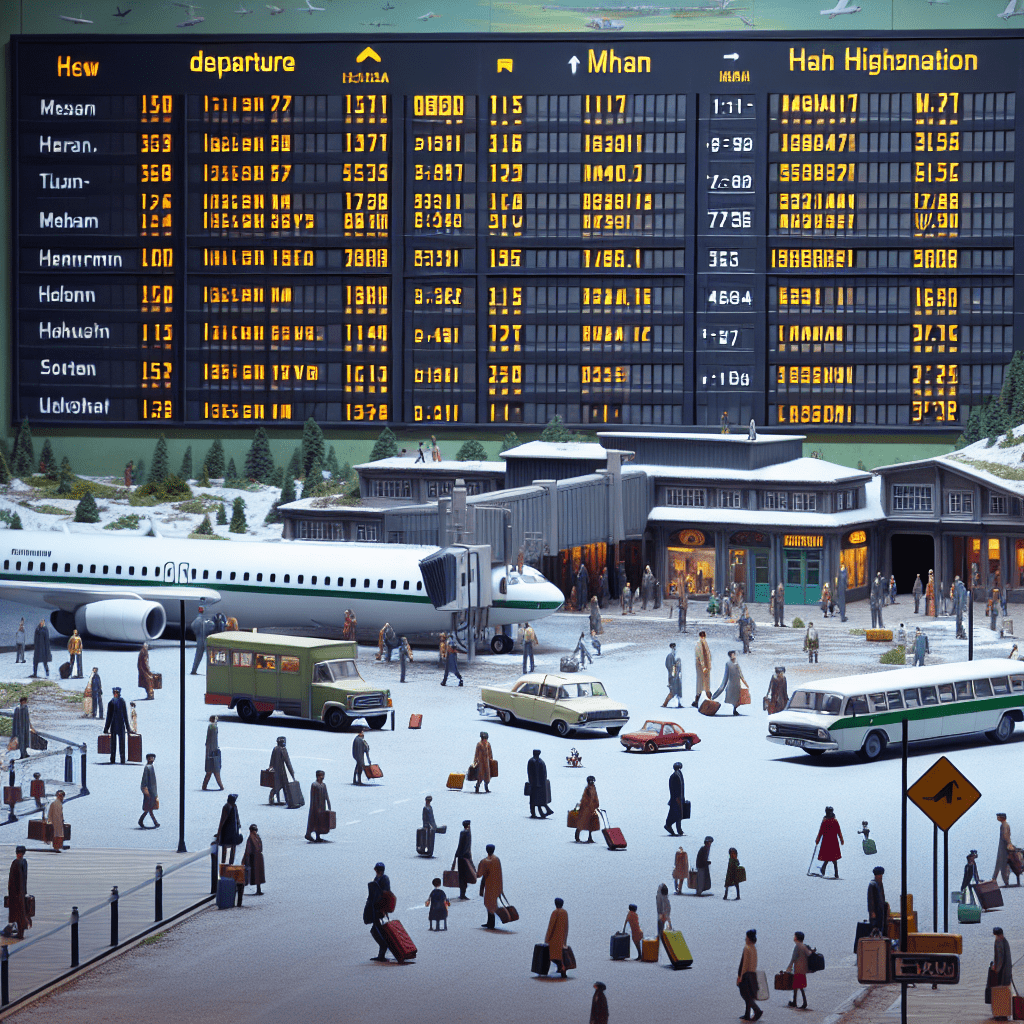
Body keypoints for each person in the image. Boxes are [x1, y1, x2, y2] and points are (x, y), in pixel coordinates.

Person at [365, 862, 393, 962]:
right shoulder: (378, 878)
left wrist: (384, 909)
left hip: (379, 908)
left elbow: (386, 894)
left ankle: (383, 951)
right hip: (375, 907)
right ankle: (381, 953)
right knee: (377, 929)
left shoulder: (384, 879)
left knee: (376, 929)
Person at [2, 847, 30, 939]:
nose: (19, 854)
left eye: (20, 852)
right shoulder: (23, 862)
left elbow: (12, 880)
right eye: (19, 852)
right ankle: (18, 931)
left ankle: (18, 932)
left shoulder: (16, 863)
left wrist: (12, 894)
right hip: (20, 891)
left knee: (17, 912)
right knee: (20, 912)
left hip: (16, 892)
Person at [712, 650, 749, 716]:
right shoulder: (728, 664)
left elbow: (740, 674)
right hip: (731, 683)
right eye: (733, 655)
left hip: (737, 683)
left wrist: (744, 682)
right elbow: (726, 676)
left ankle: (734, 710)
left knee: (738, 698)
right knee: (733, 697)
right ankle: (713, 697)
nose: (734, 656)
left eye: (734, 655)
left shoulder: (737, 663)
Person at [477, 843, 503, 929]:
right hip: (496, 884)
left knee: (488, 903)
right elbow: (500, 873)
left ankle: (491, 923)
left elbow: (479, 874)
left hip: (488, 884)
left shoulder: (484, 861)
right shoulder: (497, 860)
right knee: (492, 902)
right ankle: (490, 922)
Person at [737, 928, 762, 1021]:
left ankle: (757, 1010)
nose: (745, 938)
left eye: (746, 937)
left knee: (746, 995)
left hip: (746, 975)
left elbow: (744, 964)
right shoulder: (753, 947)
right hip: (752, 974)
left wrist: (740, 976)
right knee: (749, 995)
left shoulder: (746, 947)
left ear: (748, 938)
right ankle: (747, 1014)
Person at [103, 686, 130, 764]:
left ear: (119, 693)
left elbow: (125, 716)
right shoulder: (111, 703)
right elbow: (109, 717)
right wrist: (106, 728)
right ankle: (113, 759)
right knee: (113, 744)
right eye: (114, 693)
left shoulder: (121, 702)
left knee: (122, 743)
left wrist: (128, 728)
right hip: (114, 725)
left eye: (116, 693)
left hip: (120, 725)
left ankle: (122, 759)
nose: (115, 694)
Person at [815, 806, 844, 879]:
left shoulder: (834, 821)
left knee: (833, 857)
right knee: (829, 856)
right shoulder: (825, 821)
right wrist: (818, 839)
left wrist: (841, 839)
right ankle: (832, 872)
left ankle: (833, 872)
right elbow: (821, 831)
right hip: (827, 841)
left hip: (832, 840)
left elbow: (838, 831)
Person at [545, 897, 570, 978]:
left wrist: (547, 938)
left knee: (552, 956)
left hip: (554, 938)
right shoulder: (565, 912)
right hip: (562, 937)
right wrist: (565, 938)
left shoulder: (555, 912)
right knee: (559, 955)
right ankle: (560, 968)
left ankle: (562, 968)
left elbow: (551, 926)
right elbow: (566, 926)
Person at [786, 931, 812, 1010]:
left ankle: (801, 1002)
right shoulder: (804, 946)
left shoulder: (797, 947)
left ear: (796, 938)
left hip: (798, 969)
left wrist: (789, 967)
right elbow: (809, 954)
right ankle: (796, 1001)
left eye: (794, 936)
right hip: (803, 969)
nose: (793, 937)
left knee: (797, 986)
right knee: (798, 986)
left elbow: (793, 958)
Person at [991, 926, 1013, 1012]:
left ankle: (1001, 1012)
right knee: (1005, 989)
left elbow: (1000, 958)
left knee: (1001, 989)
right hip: (1007, 969)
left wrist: (996, 969)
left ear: (995, 934)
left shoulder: (999, 941)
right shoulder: (1004, 940)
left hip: (1003, 970)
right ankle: (1003, 1012)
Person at [305, 770, 331, 842]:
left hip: (322, 806)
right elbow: (312, 797)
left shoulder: (323, 785)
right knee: (313, 821)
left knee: (320, 821)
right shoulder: (314, 785)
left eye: (323, 775)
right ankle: (308, 834)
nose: (322, 777)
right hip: (315, 807)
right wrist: (315, 807)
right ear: (317, 776)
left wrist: (328, 804)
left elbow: (326, 795)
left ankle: (318, 836)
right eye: (320, 776)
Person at [268, 736, 295, 806]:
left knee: (277, 786)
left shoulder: (275, 749)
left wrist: (270, 768)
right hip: (282, 772)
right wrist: (292, 772)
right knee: (284, 785)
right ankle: (287, 800)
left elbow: (271, 761)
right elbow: (287, 762)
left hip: (276, 771)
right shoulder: (283, 750)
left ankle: (272, 799)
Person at [217, 793, 242, 863]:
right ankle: (228, 862)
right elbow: (237, 819)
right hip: (231, 830)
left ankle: (225, 862)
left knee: (226, 847)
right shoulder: (231, 807)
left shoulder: (228, 807)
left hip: (228, 830)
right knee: (231, 847)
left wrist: (218, 833)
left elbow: (222, 821)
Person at [527, 749, 552, 818]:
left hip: (538, 784)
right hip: (537, 784)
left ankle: (538, 813)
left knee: (537, 800)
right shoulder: (537, 761)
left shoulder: (537, 761)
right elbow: (530, 773)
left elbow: (531, 773)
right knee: (536, 800)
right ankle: (536, 813)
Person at [201, 715, 224, 791]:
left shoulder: (212, 727)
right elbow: (212, 740)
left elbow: (209, 740)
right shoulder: (213, 727)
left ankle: (205, 786)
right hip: (212, 753)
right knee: (215, 772)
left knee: (209, 772)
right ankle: (221, 786)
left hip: (210, 752)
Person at [452, 820, 473, 900]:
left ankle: (462, 893)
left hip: (460, 857)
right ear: (468, 825)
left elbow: (460, 845)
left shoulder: (463, 833)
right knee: (465, 876)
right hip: (465, 857)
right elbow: (466, 846)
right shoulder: (468, 833)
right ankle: (463, 894)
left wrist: (456, 855)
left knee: (461, 876)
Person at [576, 775, 599, 844]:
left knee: (590, 823)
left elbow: (595, 797)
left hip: (591, 808)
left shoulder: (593, 788)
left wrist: (596, 804)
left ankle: (590, 837)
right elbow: (584, 799)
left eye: (592, 781)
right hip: (586, 809)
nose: (592, 782)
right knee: (582, 822)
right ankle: (577, 836)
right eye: (590, 781)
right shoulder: (587, 789)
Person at [992, 812, 1014, 886]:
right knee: (999, 864)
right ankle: (994, 878)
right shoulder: (1004, 825)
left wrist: (1009, 844)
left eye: (998, 817)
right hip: (1002, 846)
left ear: (1002, 817)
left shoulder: (1004, 825)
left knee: (1002, 864)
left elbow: (1005, 836)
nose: (997, 818)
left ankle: (1003, 881)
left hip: (1003, 847)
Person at [190, 606, 212, 675]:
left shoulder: (197, 619)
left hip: (199, 640)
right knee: (209, 656)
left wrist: (197, 633)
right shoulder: (206, 620)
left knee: (198, 656)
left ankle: (194, 670)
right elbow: (211, 627)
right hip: (205, 639)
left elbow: (193, 626)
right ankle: (210, 671)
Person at [665, 761, 685, 837]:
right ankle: (668, 825)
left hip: (678, 798)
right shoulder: (675, 776)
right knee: (675, 814)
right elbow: (675, 789)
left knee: (679, 814)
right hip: (676, 799)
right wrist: (677, 799)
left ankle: (679, 830)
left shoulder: (679, 775)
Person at [692, 631, 712, 708]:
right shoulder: (698, 644)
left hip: (705, 666)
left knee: (706, 684)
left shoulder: (705, 643)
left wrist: (708, 666)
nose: (703, 638)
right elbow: (700, 656)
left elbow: (708, 655)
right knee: (701, 683)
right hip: (701, 666)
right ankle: (697, 701)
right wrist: (703, 666)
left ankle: (708, 700)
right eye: (703, 636)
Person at [139, 752, 158, 829]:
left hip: (152, 791)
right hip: (149, 791)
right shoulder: (148, 767)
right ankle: (154, 822)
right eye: (150, 757)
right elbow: (144, 780)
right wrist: (145, 790)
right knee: (149, 808)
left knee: (149, 808)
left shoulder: (151, 767)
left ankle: (142, 821)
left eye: (152, 758)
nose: (151, 759)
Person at [661, 643, 682, 709]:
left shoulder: (677, 656)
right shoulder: (670, 656)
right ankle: (665, 704)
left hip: (677, 676)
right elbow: (669, 666)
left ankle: (679, 703)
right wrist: (673, 674)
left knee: (678, 691)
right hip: (673, 677)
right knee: (672, 691)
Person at [867, 866, 887, 933]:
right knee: (876, 929)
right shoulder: (873, 885)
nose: (881, 876)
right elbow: (871, 899)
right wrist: (872, 912)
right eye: (879, 875)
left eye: (881, 875)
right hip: (875, 911)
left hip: (880, 910)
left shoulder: (880, 884)